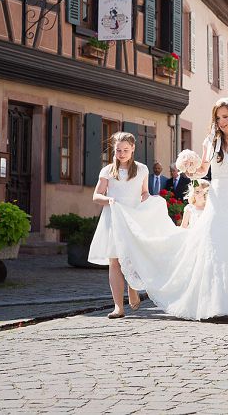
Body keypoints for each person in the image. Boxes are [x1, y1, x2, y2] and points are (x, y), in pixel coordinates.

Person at [90, 97, 228, 321]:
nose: (221, 121)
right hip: (218, 198)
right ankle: (217, 304)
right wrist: (190, 169)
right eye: (218, 117)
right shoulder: (211, 142)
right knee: (215, 246)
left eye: (225, 116)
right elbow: (203, 169)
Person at [88, 131, 149, 318]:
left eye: (125, 150)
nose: (122, 153)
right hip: (113, 218)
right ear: (113, 150)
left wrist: (147, 203)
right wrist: (110, 200)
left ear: (132, 149)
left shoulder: (142, 170)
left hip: (133, 218)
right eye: (118, 150)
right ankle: (118, 307)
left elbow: (145, 192)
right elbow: (96, 196)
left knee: (131, 257)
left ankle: (133, 288)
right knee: (114, 260)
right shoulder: (107, 171)